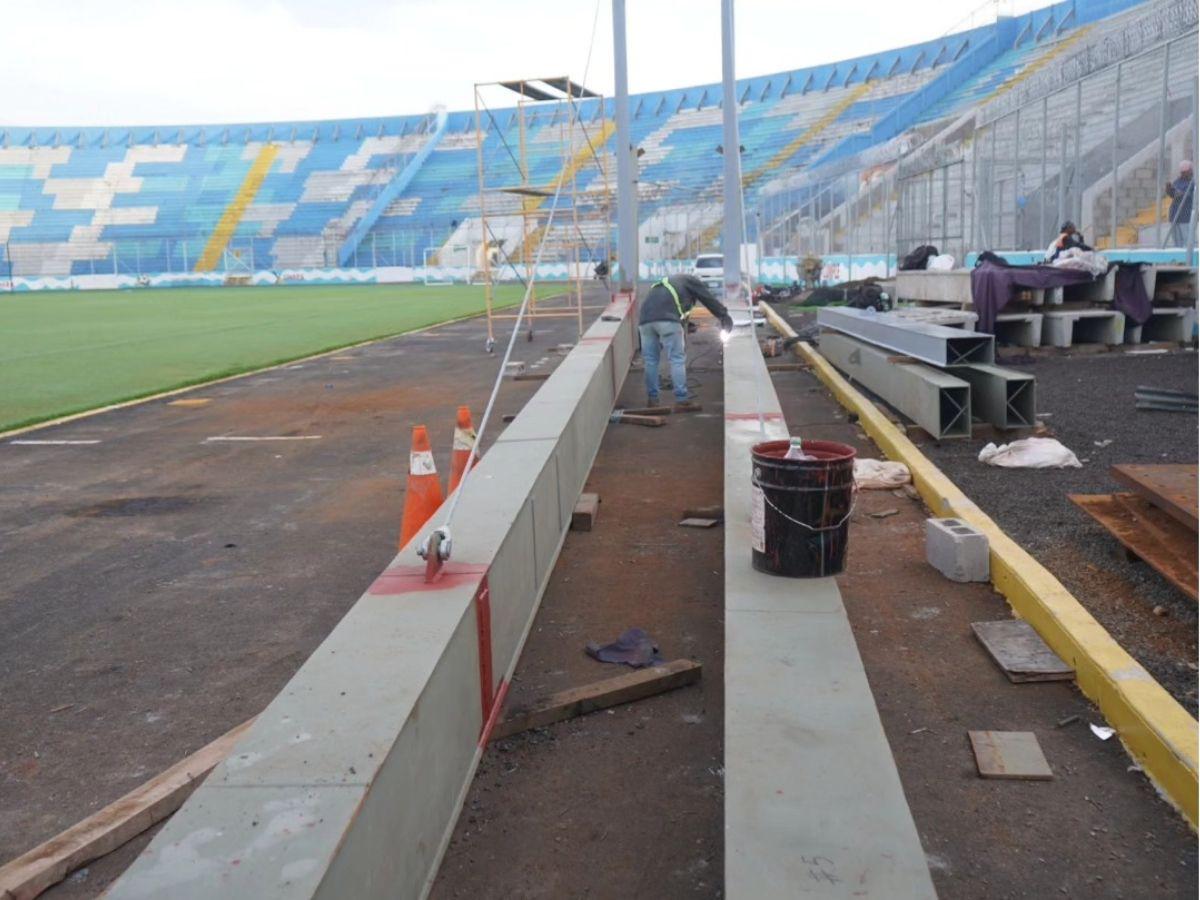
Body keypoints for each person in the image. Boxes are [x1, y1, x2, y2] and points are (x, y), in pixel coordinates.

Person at [639, 274, 733, 408]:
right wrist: (723, 315)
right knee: (677, 358)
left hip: (645, 322)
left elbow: (673, 307)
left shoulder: (669, 284)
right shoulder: (691, 281)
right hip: (668, 320)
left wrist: (685, 325)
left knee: (651, 360)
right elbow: (707, 299)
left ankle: (652, 399)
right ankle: (681, 399)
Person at [1165, 160, 1194, 247]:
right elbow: (1173, 195)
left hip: (1185, 217)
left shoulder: (1193, 183)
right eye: (1182, 172)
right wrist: (1169, 189)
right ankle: (1179, 259)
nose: (1183, 174)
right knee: (1177, 242)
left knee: (1187, 240)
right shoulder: (1178, 181)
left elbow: (1184, 195)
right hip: (1174, 215)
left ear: (1190, 171)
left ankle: (1188, 259)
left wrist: (1176, 191)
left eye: (1185, 172)